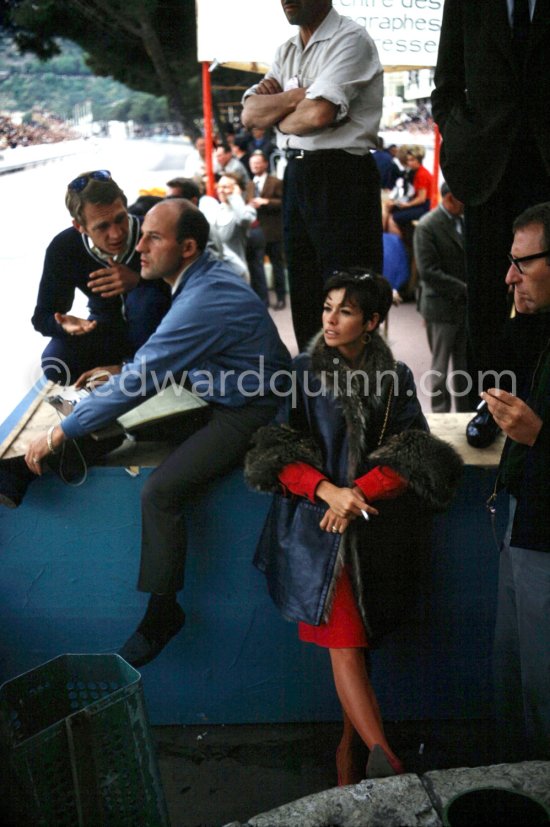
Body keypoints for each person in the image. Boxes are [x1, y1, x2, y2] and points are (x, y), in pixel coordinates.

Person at [3, 199, 291, 668]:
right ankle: (19, 472)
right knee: (119, 421)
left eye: (152, 237)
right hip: (214, 392)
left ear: (189, 247)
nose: (138, 245)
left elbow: (141, 380)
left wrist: (57, 434)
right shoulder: (201, 279)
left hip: (252, 410)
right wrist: (124, 373)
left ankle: (163, 612)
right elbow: (152, 368)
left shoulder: (202, 298)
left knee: (158, 492)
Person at [245, 269, 462, 783]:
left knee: (357, 648)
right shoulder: (304, 371)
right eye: (327, 307)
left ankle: (349, 756)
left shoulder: (396, 377)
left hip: (371, 534)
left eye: (345, 310)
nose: (331, 319)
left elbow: (417, 455)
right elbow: (274, 454)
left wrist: (358, 494)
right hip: (318, 535)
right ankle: (391, 763)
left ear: (373, 322)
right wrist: (328, 492)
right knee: (345, 643)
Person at [432, 0, 550, 446]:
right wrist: (461, 138)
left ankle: (540, 402)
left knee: (544, 290)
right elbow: (446, 85)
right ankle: (491, 402)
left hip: (545, 165)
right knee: (484, 293)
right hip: (485, 171)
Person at [241, 0, 384, 351]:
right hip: (298, 172)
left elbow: (318, 114)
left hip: (342, 175)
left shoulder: (351, 40)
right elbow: (250, 114)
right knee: (304, 292)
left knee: (349, 296)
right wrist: (295, 97)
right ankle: (311, 389)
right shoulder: (287, 50)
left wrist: (282, 115)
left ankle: (357, 393)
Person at [482, 202, 550, 761]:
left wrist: (538, 436)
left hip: (544, 535)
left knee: (542, 686)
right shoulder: (540, 328)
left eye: (521, 265)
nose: (510, 277)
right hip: (522, 520)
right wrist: (522, 310)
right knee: (518, 675)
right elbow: (498, 366)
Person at [32, 170, 171, 385]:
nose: (116, 234)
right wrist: (63, 325)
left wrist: (139, 281)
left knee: (144, 300)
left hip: (159, 330)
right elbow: (42, 316)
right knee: (56, 362)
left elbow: (192, 292)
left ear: (126, 209)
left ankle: (136, 370)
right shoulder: (64, 248)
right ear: (79, 227)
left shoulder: (151, 232)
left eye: (120, 219)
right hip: (107, 329)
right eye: (102, 226)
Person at [414, 183, 469, 413]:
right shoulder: (427, 226)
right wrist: (465, 288)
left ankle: (467, 413)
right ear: (449, 198)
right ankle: (440, 415)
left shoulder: (463, 222)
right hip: (440, 308)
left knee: (463, 368)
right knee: (439, 369)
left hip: (462, 307)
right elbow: (428, 272)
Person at [245, 150, 287, 309]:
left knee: (277, 266)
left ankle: (281, 297)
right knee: (257, 268)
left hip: (273, 232)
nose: (255, 166)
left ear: (265, 164)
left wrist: (266, 202)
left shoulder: (275, 182)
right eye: (252, 163)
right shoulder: (249, 184)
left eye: (257, 163)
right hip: (255, 233)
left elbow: (284, 202)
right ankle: (262, 300)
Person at [210, 173, 257, 280]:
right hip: (217, 272)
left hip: (237, 272)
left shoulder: (247, 210)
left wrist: (236, 197)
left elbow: (243, 219)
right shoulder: (215, 210)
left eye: (225, 187)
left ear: (237, 189)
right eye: (219, 186)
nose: (221, 190)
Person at [385, 147, 433, 238]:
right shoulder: (416, 172)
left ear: (418, 160)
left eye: (412, 160)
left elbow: (421, 199)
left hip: (425, 207)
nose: (409, 163)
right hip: (421, 204)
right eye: (408, 160)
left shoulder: (421, 175)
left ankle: (398, 246)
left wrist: (407, 205)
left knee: (392, 219)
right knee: (390, 208)